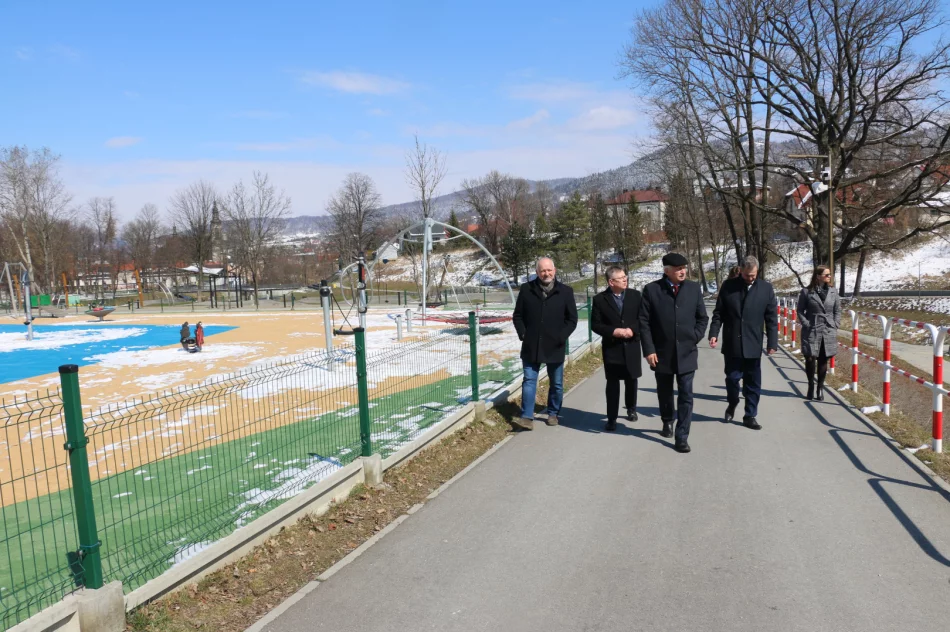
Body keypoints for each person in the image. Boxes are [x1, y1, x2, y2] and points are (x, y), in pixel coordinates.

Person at [639, 253, 709, 453]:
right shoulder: (652, 290)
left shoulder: (694, 289)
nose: (682, 271)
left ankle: (682, 436)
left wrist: (695, 336)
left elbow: (702, 318)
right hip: (661, 352)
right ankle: (667, 419)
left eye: (684, 267)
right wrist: (649, 349)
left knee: (686, 394)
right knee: (665, 391)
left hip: (687, 352)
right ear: (666, 270)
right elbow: (643, 322)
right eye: (678, 268)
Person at [708, 256, 779, 429]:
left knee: (753, 382)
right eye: (747, 275)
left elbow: (771, 318)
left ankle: (750, 415)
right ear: (741, 270)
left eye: (753, 275)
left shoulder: (766, 289)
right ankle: (732, 402)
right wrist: (714, 333)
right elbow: (719, 313)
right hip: (733, 342)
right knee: (732, 378)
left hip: (753, 342)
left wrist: (772, 342)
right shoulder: (729, 286)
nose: (750, 278)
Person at [512, 257, 578, 430]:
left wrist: (561, 337)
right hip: (531, 345)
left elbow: (572, 319)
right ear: (537, 272)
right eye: (542, 270)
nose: (546, 273)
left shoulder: (565, 291)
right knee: (529, 380)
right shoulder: (527, 289)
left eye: (549, 270)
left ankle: (553, 413)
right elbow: (518, 315)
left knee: (556, 383)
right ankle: (527, 417)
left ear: (554, 271)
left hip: (555, 345)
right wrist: (523, 334)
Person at [591, 265, 642, 431]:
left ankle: (631, 408)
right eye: (621, 278)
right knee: (612, 383)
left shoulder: (635, 296)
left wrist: (632, 330)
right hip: (612, 348)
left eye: (625, 276)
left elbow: (643, 318)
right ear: (611, 282)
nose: (625, 280)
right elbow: (596, 325)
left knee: (631, 379)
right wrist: (614, 331)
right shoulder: (600, 299)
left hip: (632, 344)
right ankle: (611, 418)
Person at [796, 266, 841, 400]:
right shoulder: (806, 292)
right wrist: (806, 323)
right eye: (826, 275)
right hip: (812, 329)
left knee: (823, 359)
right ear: (818, 276)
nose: (829, 277)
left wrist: (835, 324)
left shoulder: (833, 292)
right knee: (810, 358)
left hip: (828, 329)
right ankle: (810, 385)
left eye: (829, 274)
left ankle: (820, 388)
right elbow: (800, 310)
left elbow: (837, 310)